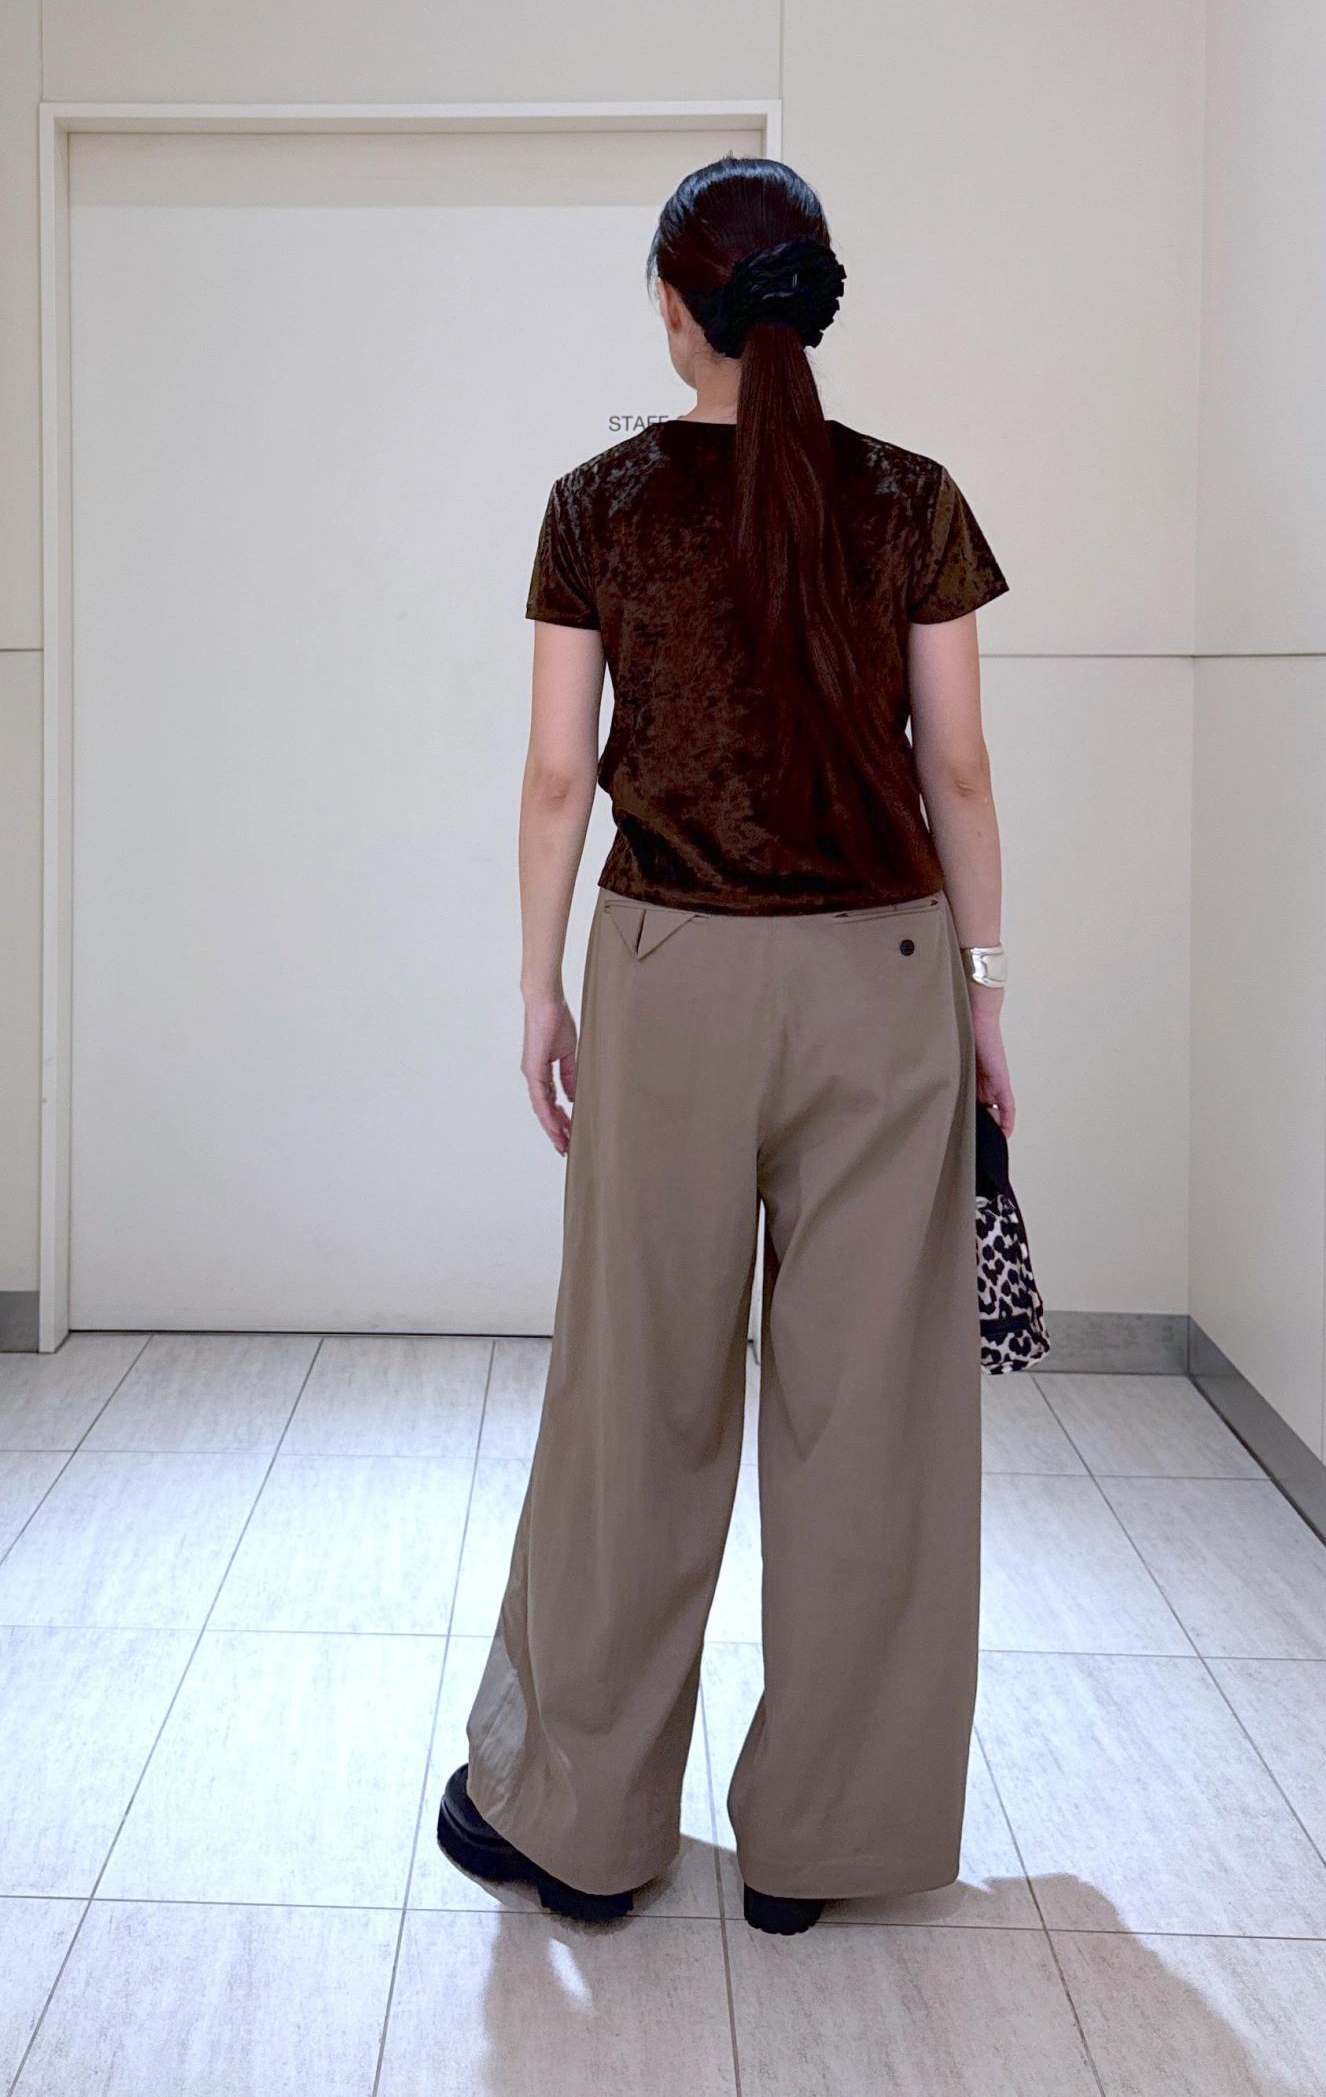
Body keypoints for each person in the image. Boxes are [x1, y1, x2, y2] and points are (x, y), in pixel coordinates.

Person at [437, 153, 1014, 1936]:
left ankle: (583, 1828)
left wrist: (538, 982)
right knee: (870, 1421)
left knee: (638, 1397)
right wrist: (984, 988)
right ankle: (822, 1850)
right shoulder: (910, 496)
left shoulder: (597, 506)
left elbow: (558, 777)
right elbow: (959, 768)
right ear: (811, 301)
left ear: (677, 309)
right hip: (884, 979)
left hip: (671, 972)